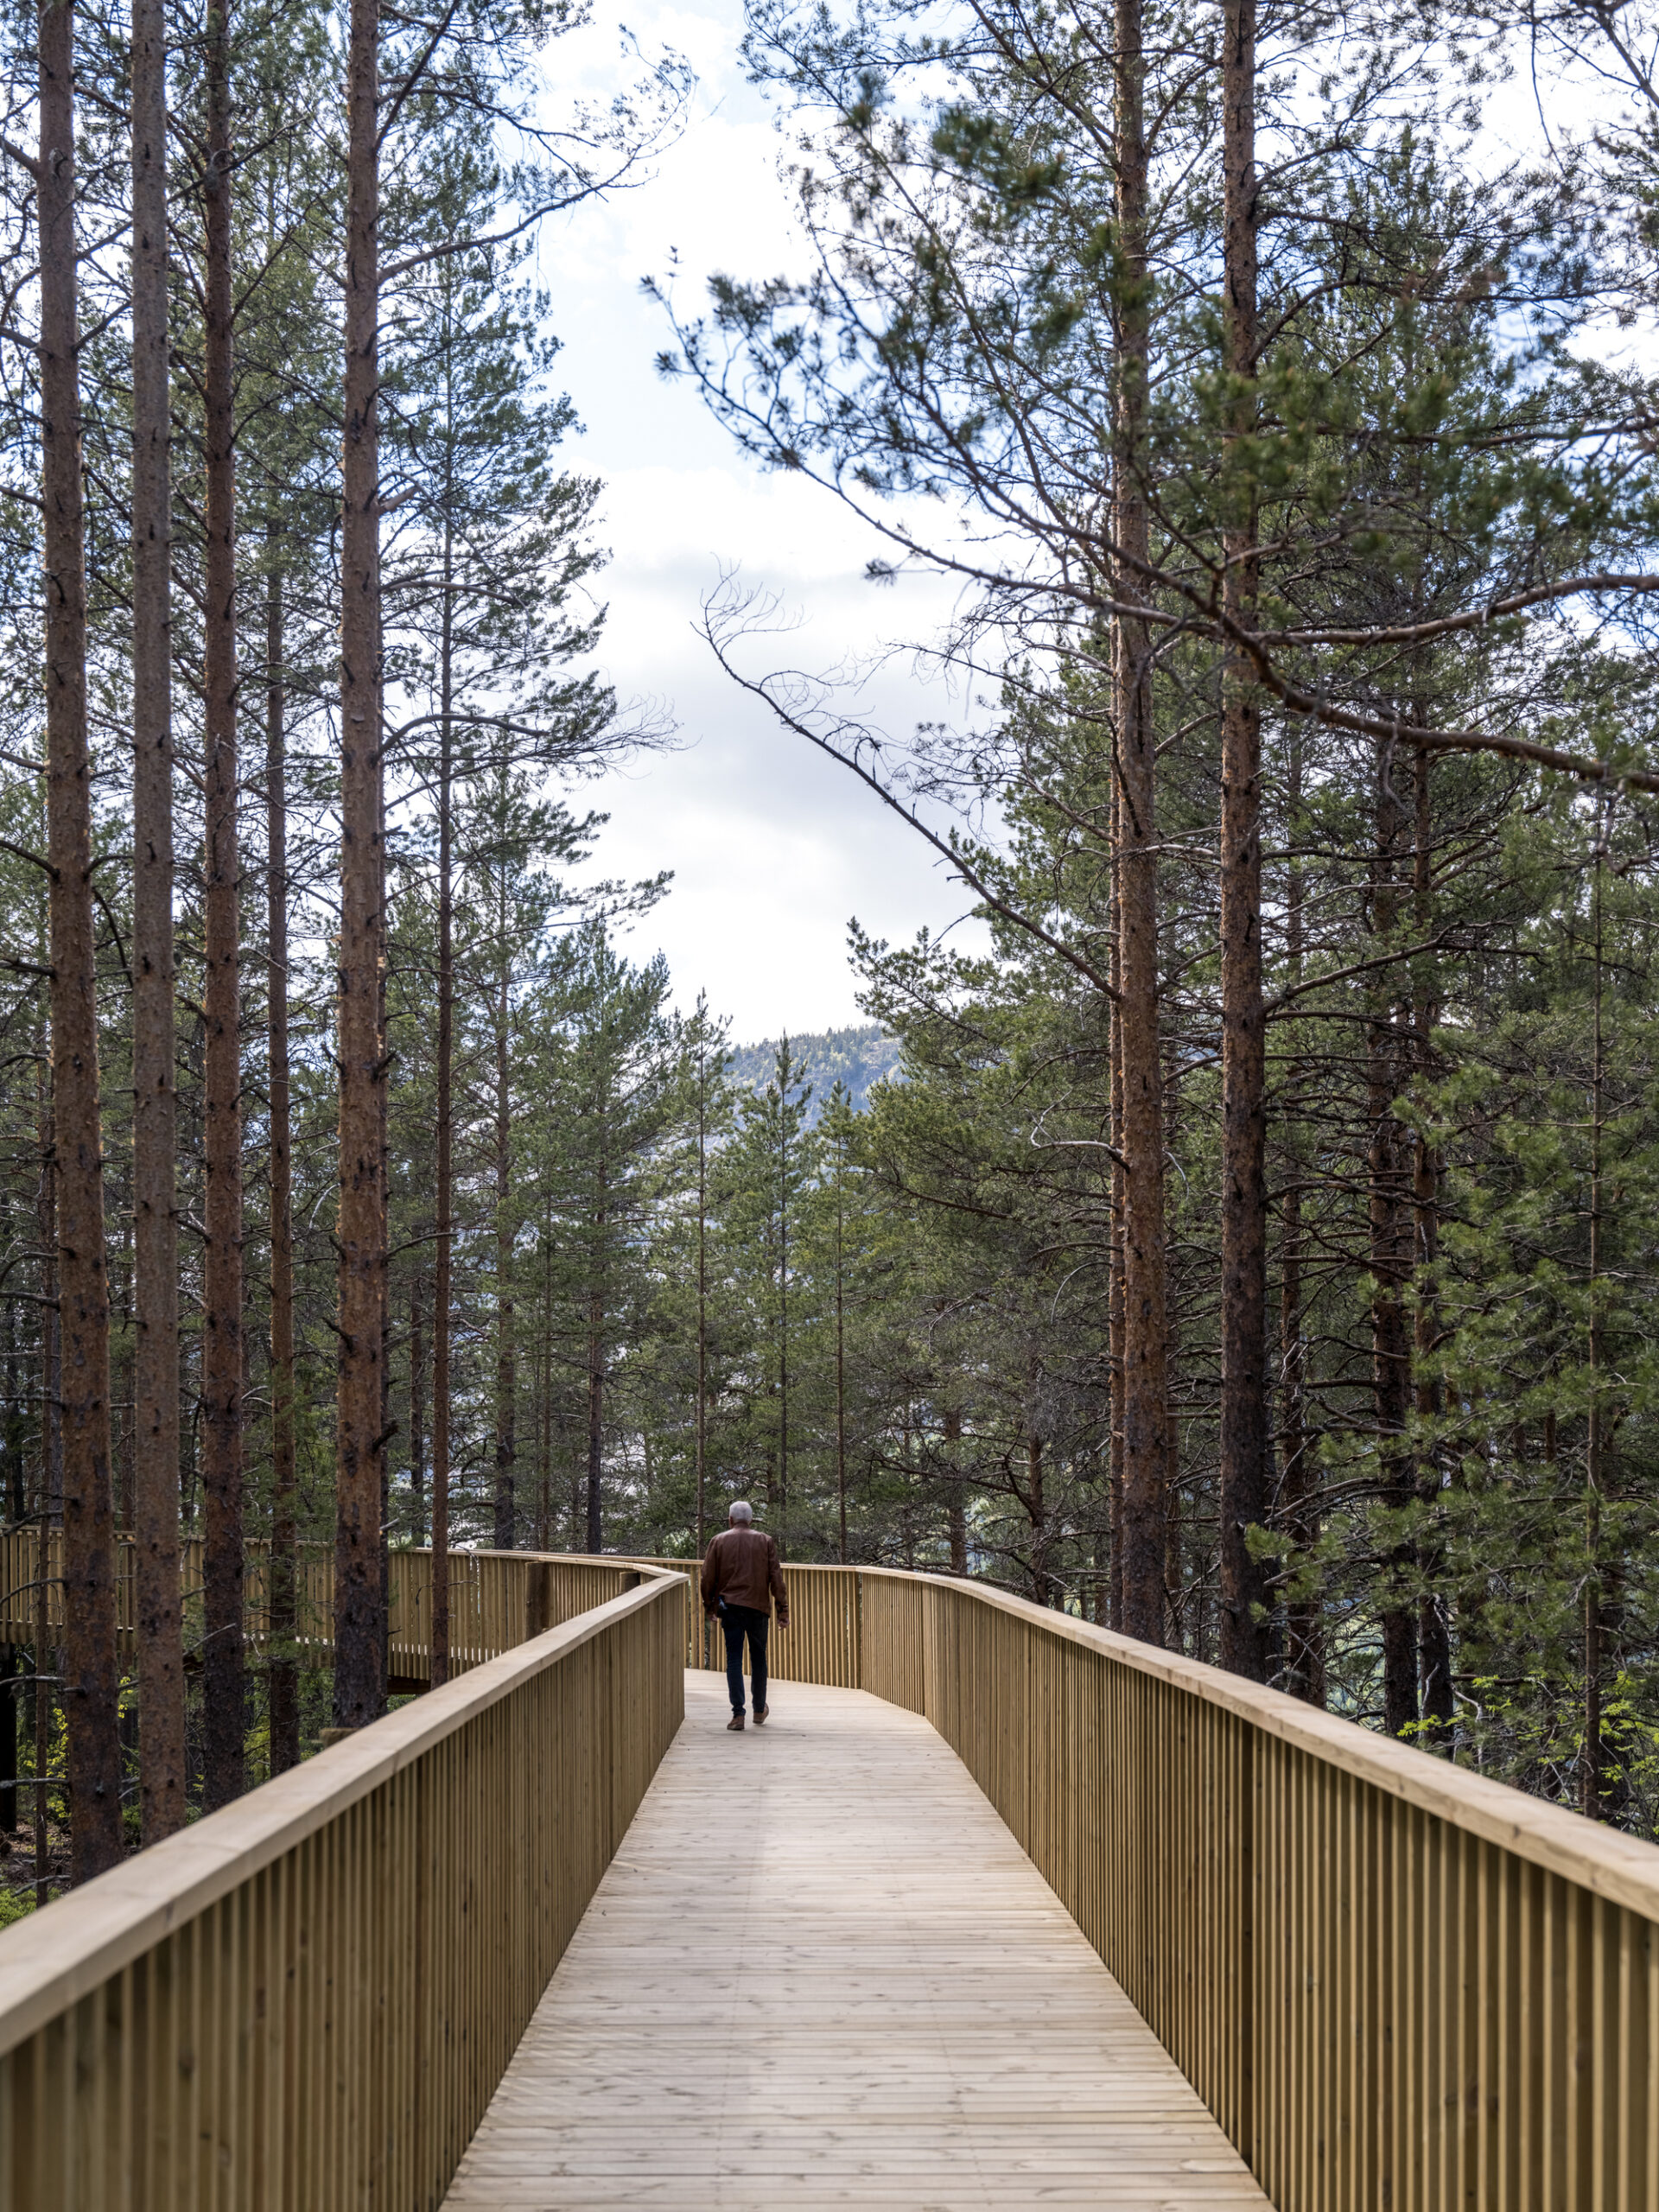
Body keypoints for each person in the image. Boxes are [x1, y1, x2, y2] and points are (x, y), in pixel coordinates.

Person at [700, 1499, 788, 1731]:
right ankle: (759, 1710)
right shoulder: (765, 1541)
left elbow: (707, 1577)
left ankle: (738, 1714)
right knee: (759, 1658)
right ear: (750, 1520)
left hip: (730, 1608)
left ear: (730, 1520)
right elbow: (776, 1577)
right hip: (758, 1608)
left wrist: (709, 1606)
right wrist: (782, 1610)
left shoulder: (718, 1541)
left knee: (734, 1660)